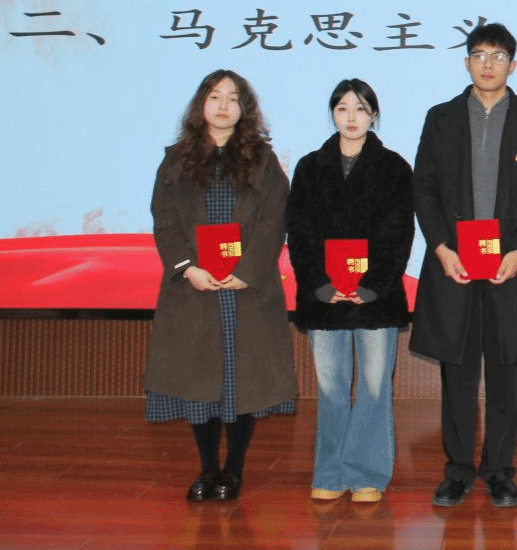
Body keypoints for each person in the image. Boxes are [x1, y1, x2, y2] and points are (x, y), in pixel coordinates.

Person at [409, 23, 517, 508]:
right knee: (456, 374)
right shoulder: (441, 119)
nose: (488, 64)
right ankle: (457, 470)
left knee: (504, 373)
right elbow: (423, 187)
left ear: (512, 65)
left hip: (508, 269)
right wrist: (441, 247)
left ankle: (498, 470)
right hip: (453, 266)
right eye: (479, 55)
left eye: (497, 56)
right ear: (466, 62)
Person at [144, 69, 296, 502]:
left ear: (245, 109)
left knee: (242, 383)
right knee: (200, 385)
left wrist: (247, 270)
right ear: (202, 105)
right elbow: (164, 221)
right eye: (215, 97)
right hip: (196, 287)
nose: (224, 105)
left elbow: (274, 222)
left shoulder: (263, 161)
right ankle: (207, 468)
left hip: (246, 288)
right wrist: (187, 268)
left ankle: (234, 469)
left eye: (233, 98)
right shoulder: (175, 160)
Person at [286, 79, 414, 504]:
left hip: (375, 299)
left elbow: (398, 233)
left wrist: (371, 285)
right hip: (324, 299)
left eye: (360, 108)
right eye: (342, 108)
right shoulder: (309, 167)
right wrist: (321, 286)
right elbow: (299, 232)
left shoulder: (394, 168)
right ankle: (331, 471)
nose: (351, 117)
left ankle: (368, 474)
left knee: (375, 389)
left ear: (374, 114)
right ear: (333, 114)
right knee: (331, 389)